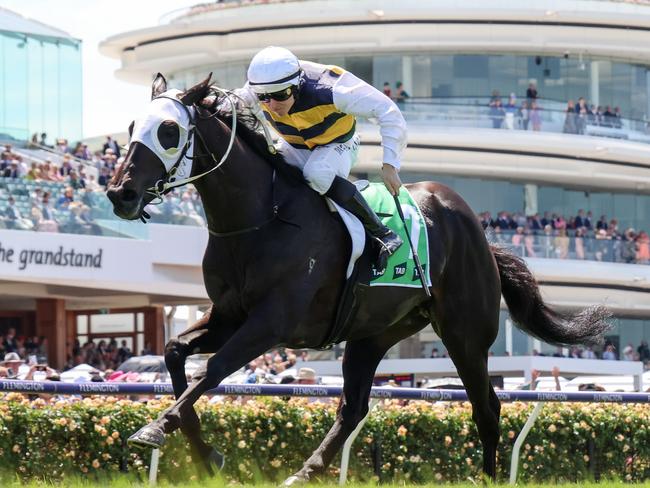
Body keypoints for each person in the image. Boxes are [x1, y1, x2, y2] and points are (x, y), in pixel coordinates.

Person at [239, 46, 405, 270]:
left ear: (297, 86)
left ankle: (383, 233)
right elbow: (227, 104)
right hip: (293, 143)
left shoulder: (333, 89)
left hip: (338, 142)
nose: (272, 105)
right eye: (263, 98)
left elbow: (388, 111)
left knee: (316, 174)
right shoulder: (259, 87)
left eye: (280, 96)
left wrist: (390, 164)